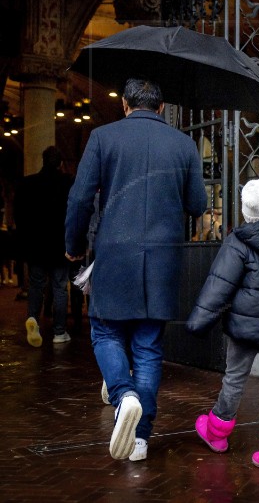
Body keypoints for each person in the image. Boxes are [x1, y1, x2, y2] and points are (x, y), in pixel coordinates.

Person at [65, 78, 207, 461]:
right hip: (162, 260)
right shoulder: (183, 143)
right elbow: (197, 203)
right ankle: (140, 440)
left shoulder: (102, 137)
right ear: (161, 108)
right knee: (147, 347)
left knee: (105, 332)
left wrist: (74, 247)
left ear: (125, 104)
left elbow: (80, 198)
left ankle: (123, 394)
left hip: (114, 255)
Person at [186, 170, 259, 473]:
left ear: (247, 210)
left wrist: (198, 322)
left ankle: (217, 433)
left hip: (244, 327)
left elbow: (219, 285)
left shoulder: (238, 242)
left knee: (235, 377)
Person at [16, 146, 74, 346]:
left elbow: (19, 216)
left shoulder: (28, 183)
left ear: (42, 161)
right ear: (59, 164)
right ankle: (59, 332)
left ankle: (33, 317)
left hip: (36, 246)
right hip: (59, 245)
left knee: (36, 285)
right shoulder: (67, 183)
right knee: (59, 288)